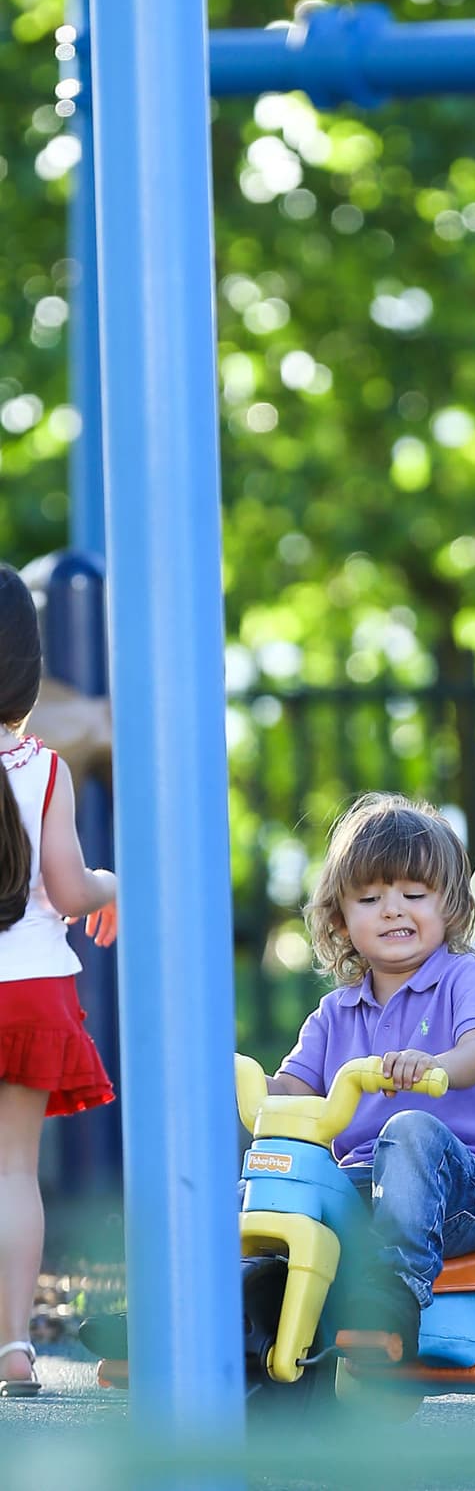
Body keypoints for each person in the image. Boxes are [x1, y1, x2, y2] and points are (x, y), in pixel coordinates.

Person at [269, 792, 475, 1355]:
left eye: (414, 894)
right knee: (273, 1170)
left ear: (450, 908)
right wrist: (225, 1082)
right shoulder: (334, 1013)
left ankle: (394, 1295)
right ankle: (232, 1295)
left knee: (409, 1129)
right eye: (369, 898)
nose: (393, 909)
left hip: (462, 1192)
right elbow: (290, 1093)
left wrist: (436, 1066)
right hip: (362, 1190)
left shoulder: (467, 979)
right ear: (340, 918)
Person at [0, 562, 117, 1398]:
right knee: (14, 1174)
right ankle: (12, 1347)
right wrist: (116, 887)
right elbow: (73, 894)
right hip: (32, 988)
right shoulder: (45, 768)